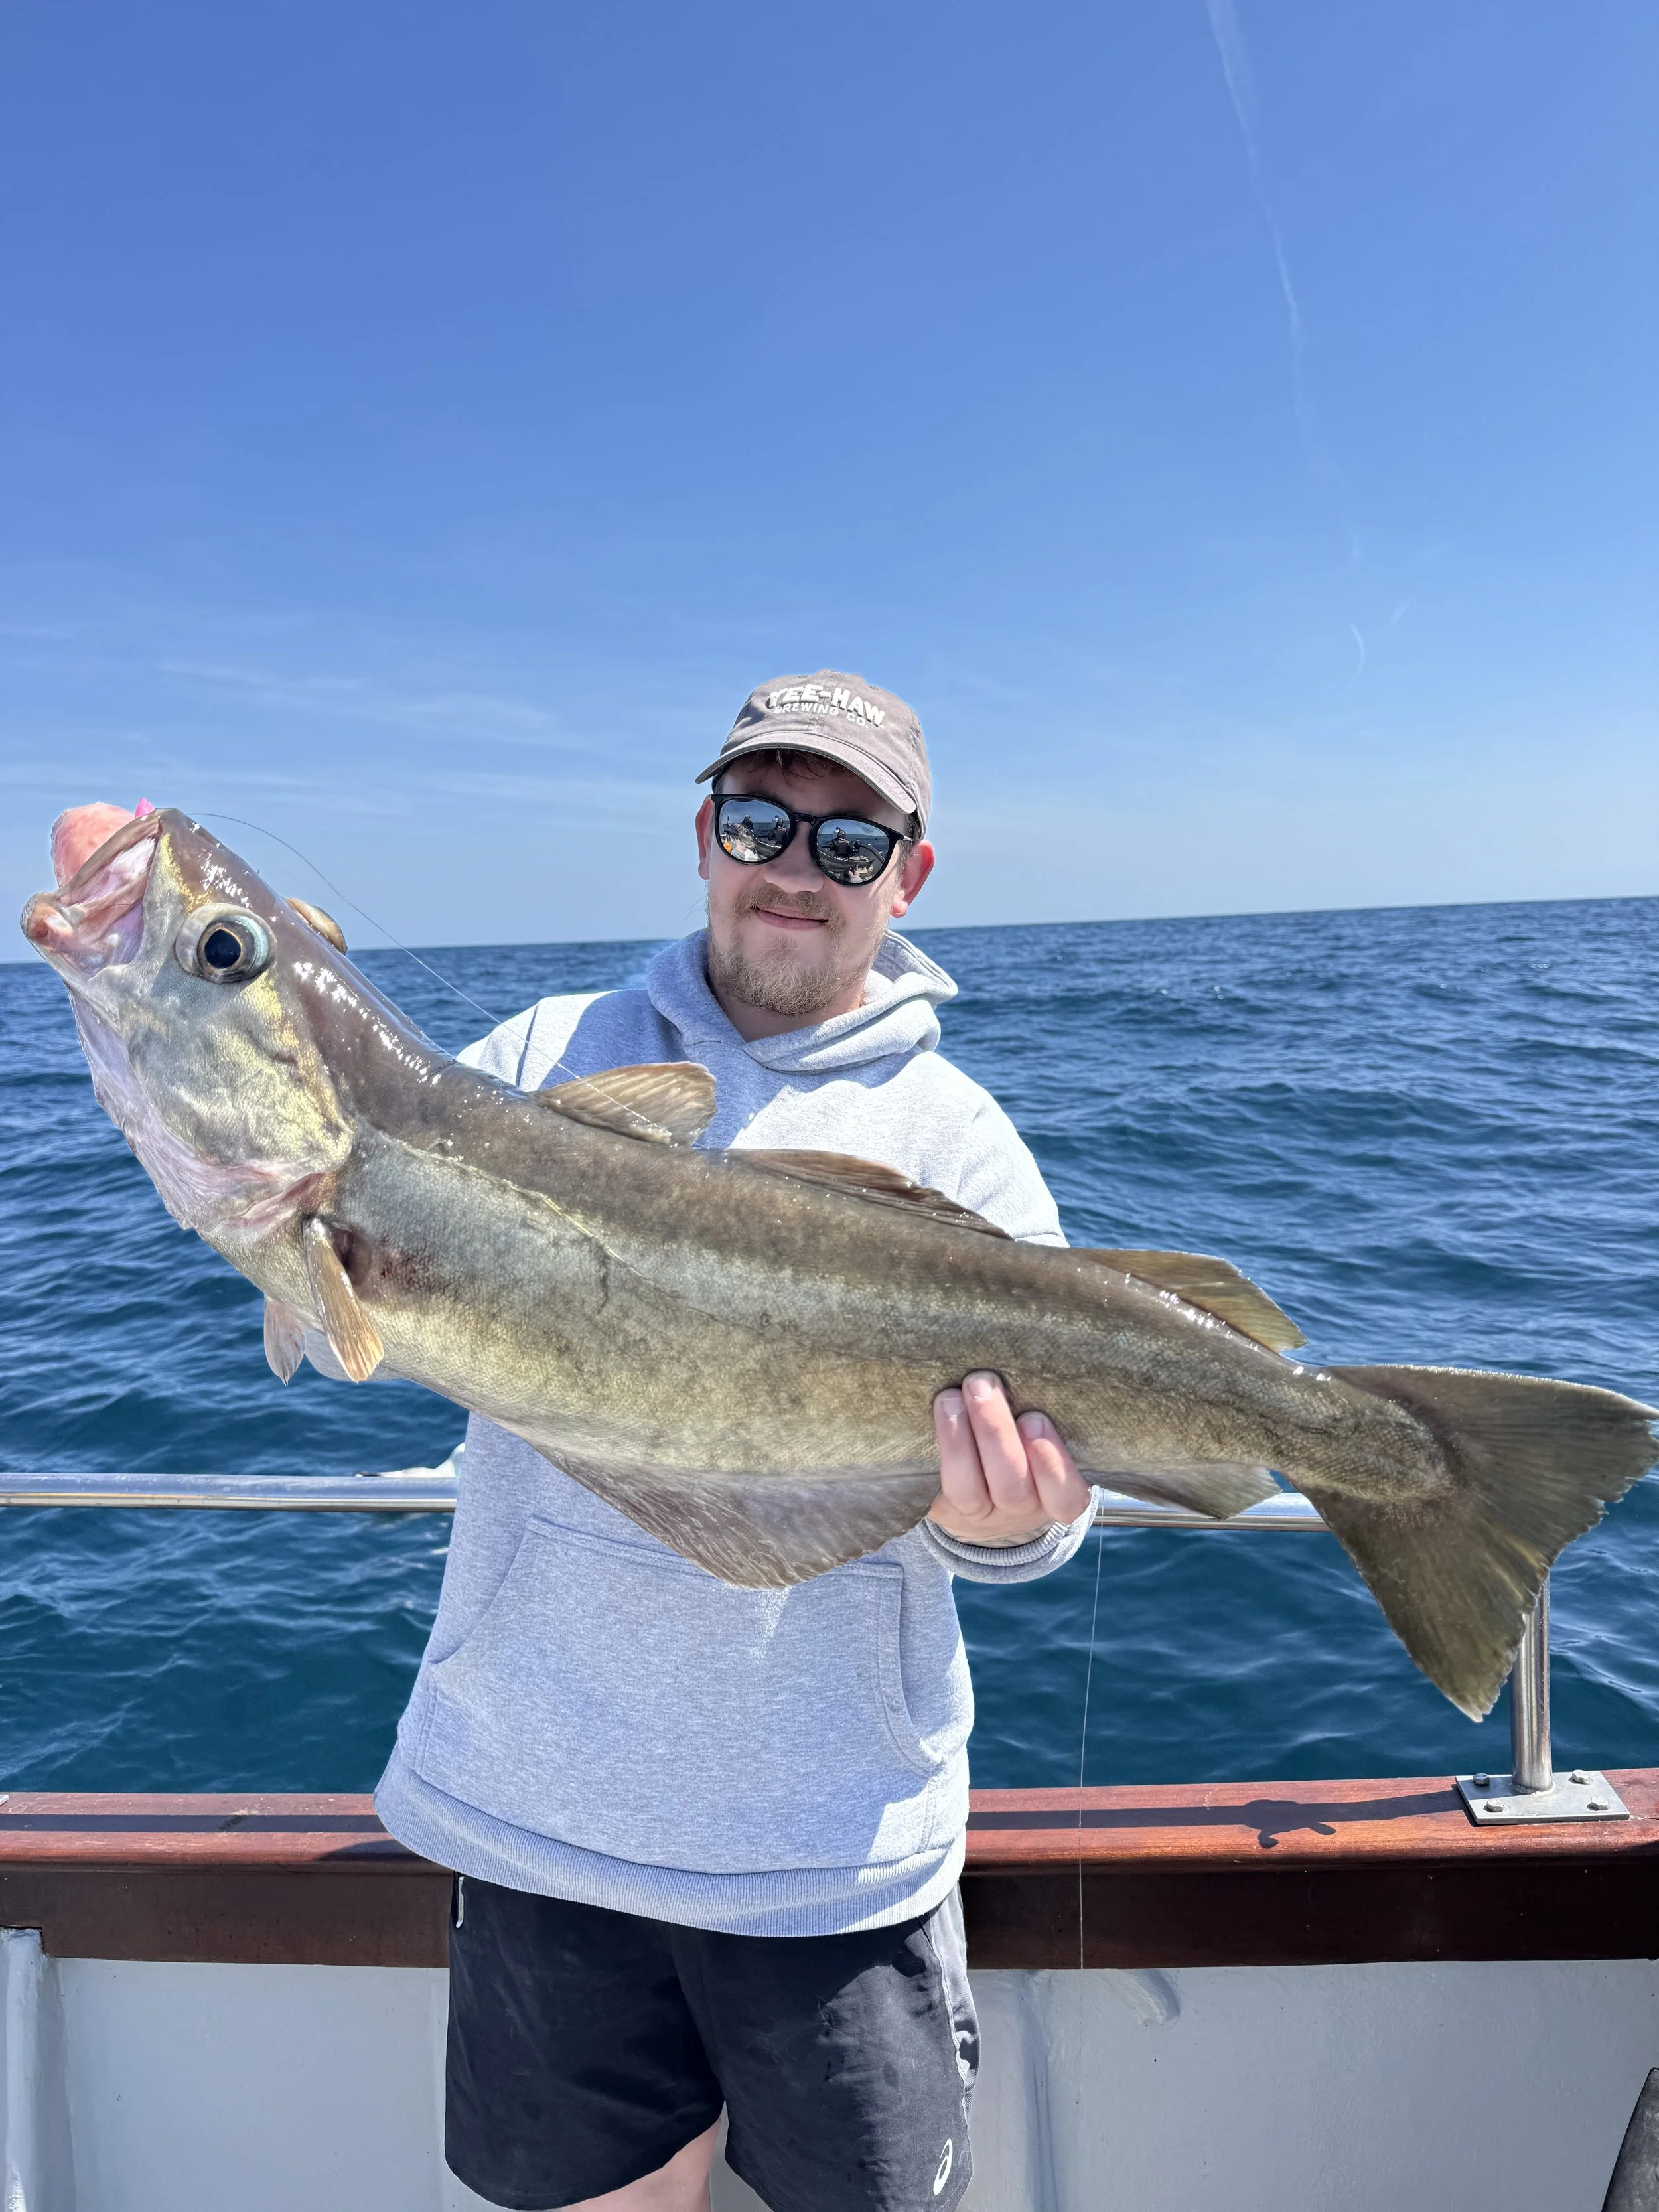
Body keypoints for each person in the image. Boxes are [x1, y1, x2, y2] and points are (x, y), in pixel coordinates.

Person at [375, 672, 1098, 2212]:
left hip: (832, 1857)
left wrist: (1001, 1520)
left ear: (907, 876)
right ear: (703, 834)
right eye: (762, 819)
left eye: (848, 842)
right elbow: (365, 1293)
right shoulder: (536, 1059)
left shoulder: (959, 1138)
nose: (795, 865)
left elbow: (1044, 1530)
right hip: (535, 1819)